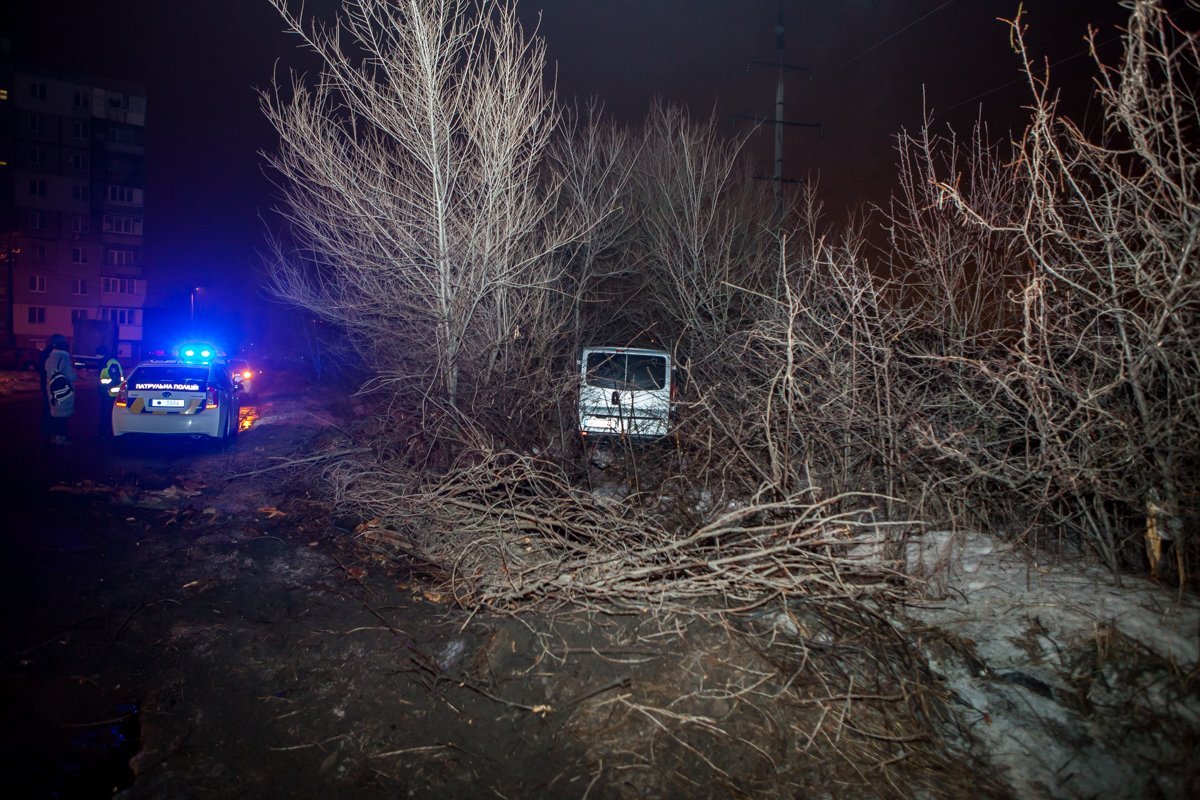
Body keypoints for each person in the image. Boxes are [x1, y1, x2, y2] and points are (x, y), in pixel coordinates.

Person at [43, 334, 77, 446]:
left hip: (53, 389)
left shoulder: (51, 357)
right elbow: (69, 375)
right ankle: (60, 438)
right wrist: (76, 375)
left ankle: (54, 436)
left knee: (56, 414)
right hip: (63, 391)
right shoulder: (64, 358)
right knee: (62, 415)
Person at [96, 345, 123, 437]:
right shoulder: (105, 362)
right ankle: (104, 432)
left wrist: (106, 387)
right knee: (105, 413)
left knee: (108, 414)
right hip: (107, 392)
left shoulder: (111, 363)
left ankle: (108, 433)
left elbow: (116, 379)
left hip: (112, 393)